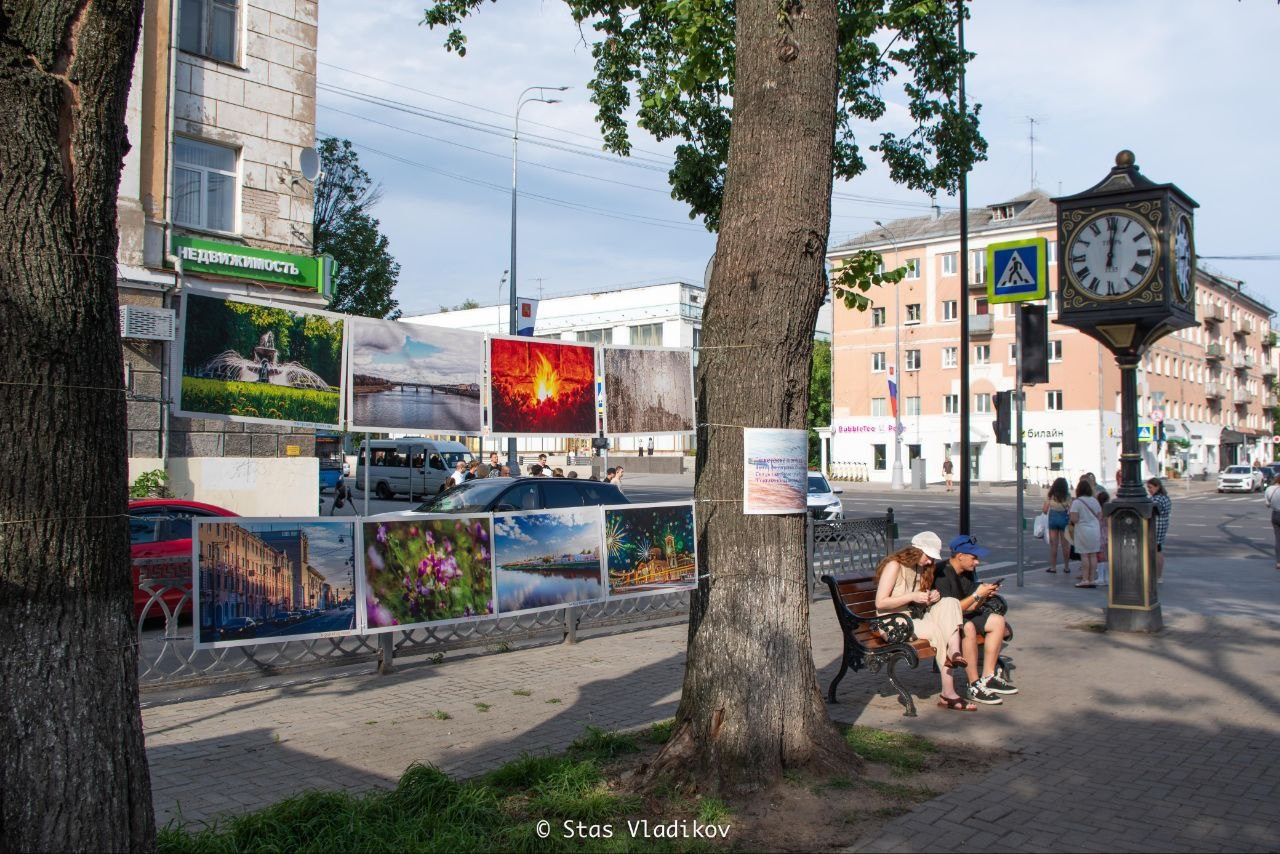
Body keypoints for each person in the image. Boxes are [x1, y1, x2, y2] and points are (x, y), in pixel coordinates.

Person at [874, 531, 972, 711]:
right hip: (892, 623)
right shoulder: (894, 565)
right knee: (939, 631)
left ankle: (955, 652)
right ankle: (948, 692)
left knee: (950, 603)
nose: (930, 562)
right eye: (928, 557)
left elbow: (917, 602)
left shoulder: (922, 568)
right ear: (915, 551)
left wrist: (930, 597)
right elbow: (880, 602)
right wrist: (913, 596)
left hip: (912, 618)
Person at [932, 535, 1016, 705]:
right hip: (944, 619)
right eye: (974, 557)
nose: (977, 562)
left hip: (962, 615)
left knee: (998, 621)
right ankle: (974, 685)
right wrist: (978, 594)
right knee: (968, 627)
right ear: (960, 556)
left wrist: (984, 596)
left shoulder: (968, 572)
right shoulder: (941, 573)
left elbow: (970, 607)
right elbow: (952, 609)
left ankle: (988, 676)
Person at [1070, 479, 1103, 588]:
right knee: (1093, 554)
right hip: (1095, 530)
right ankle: (1092, 579)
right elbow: (1099, 516)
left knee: (1084, 555)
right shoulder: (1095, 501)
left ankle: (1085, 579)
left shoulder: (1077, 502)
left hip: (1082, 530)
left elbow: (1074, 519)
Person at [1043, 477, 1072, 574]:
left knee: (1053, 545)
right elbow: (1070, 508)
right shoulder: (1067, 495)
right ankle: (1067, 567)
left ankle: (1053, 567)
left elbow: (1045, 510)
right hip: (1064, 519)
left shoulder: (1050, 495)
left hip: (1053, 519)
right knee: (1065, 545)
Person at [1146, 477, 1172, 583]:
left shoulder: (1157, 499)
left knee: (1156, 551)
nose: (1149, 490)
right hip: (1162, 526)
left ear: (1157, 486)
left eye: (1150, 487)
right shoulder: (1165, 497)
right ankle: (1158, 575)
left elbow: (1149, 511)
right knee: (1158, 550)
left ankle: (1156, 575)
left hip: (1156, 527)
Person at [1094, 488, 1110, 585]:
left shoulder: (1098, 510)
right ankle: (1107, 577)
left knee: (1100, 557)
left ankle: (1101, 577)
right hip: (1107, 534)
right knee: (1107, 557)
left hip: (1099, 534)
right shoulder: (1108, 510)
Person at [1265, 475, 1280, 569]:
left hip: (1275, 515)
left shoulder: (1270, 489)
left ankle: (1279, 562)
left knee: (1278, 539)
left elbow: (1267, 504)